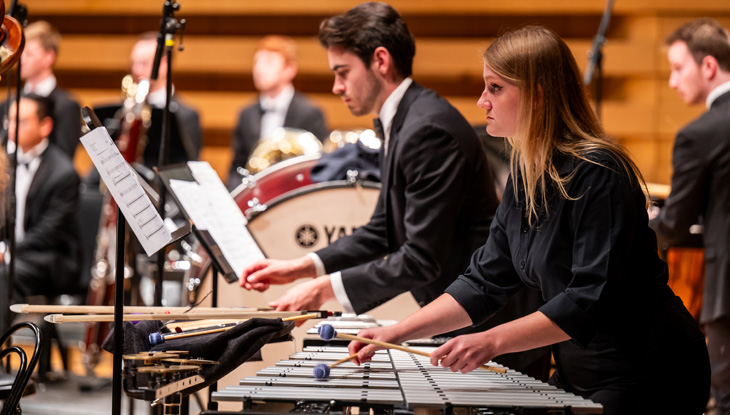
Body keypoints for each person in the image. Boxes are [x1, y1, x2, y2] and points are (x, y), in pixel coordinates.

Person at [347, 26, 711, 415]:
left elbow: (588, 299)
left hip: (648, 374)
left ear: (538, 95)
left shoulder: (599, 173)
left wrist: (491, 341)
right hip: (579, 373)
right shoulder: (527, 170)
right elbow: (484, 281)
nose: (482, 101)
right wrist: (397, 332)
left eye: (496, 88)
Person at [241, 2, 499, 321]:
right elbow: (383, 230)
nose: (337, 87)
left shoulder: (427, 129)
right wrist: (301, 267)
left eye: (343, 72)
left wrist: (323, 289)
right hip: (459, 312)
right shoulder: (406, 118)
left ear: (380, 60)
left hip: (487, 322)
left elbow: (420, 258)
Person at [649, 18, 730, 415]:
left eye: (678, 68)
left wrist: (644, 226)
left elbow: (675, 222)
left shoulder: (700, 133)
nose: (672, 81)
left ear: (709, 66)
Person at [0, 94, 81, 334]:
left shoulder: (63, 172)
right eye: (9, 120)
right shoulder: (6, 163)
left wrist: (7, 252)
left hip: (50, 259)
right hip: (11, 253)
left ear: (45, 126)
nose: (12, 128)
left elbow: (48, 233)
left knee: (3, 274)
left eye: (21, 121)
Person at [227, 35, 328, 190]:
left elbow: (317, 166)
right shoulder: (246, 113)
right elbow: (237, 167)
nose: (259, 69)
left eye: (268, 62)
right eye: (257, 62)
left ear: (290, 69)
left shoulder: (310, 113)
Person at [0, 21, 82, 159]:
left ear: (49, 57)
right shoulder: (7, 104)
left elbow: (64, 164)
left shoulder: (66, 106)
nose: (21, 59)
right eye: (20, 52)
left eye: (29, 54)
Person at [129, 32, 203, 168]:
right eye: (134, 63)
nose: (136, 70)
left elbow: (187, 167)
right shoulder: (126, 110)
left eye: (144, 64)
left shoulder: (186, 115)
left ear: (164, 65)